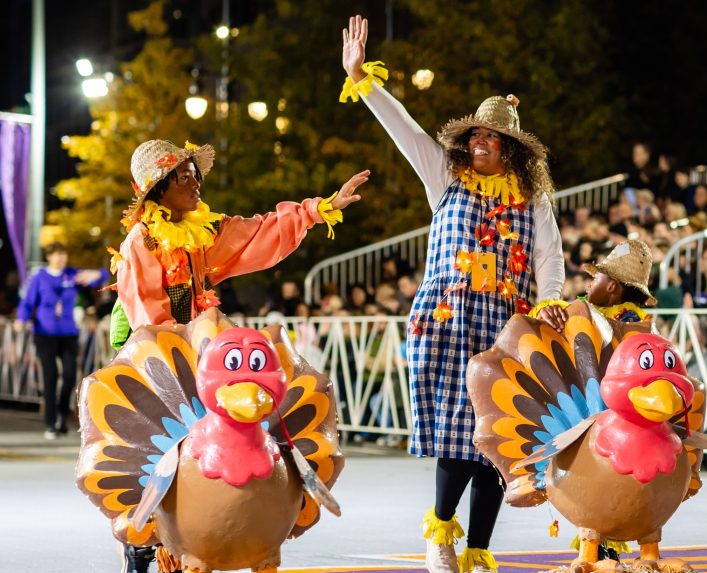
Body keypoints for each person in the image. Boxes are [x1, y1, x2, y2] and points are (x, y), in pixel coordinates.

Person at [341, 16, 564, 573]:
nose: (481, 142)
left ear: (512, 151)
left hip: (502, 326)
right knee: (455, 432)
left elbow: (549, 259)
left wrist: (551, 299)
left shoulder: (532, 202)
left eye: (494, 138)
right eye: (477, 135)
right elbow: (406, 128)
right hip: (446, 319)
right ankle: (441, 533)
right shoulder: (445, 176)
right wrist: (361, 79)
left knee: (497, 438)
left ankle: (479, 550)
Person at [112, 139, 369, 573]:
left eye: (195, 173)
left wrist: (319, 209)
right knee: (152, 442)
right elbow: (148, 316)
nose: (196, 182)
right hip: (153, 349)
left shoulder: (202, 229)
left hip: (200, 345)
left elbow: (257, 233)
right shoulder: (141, 242)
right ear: (158, 191)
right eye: (184, 176)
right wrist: (194, 350)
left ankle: (284, 506)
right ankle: (141, 541)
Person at [14, 242, 109, 439]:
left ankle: (61, 415)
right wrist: (21, 320)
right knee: (50, 377)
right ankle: (51, 423)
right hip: (44, 334)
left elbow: (104, 275)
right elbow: (27, 302)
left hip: (68, 334)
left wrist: (97, 275)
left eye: (63, 255)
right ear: (49, 257)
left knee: (69, 376)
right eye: (57, 255)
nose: (61, 259)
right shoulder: (40, 278)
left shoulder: (71, 274)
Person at [533, 239, 656, 333]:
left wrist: (545, 309)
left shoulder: (622, 317)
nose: (589, 285)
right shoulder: (643, 321)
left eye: (595, 279)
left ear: (611, 287)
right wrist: (546, 309)